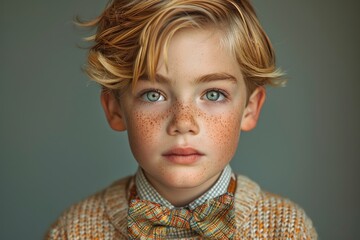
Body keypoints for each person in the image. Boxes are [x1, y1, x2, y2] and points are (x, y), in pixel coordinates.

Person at [46, 0, 317, 239]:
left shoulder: (286, 229)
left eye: (213, 94)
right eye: (153, 95)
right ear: (115, 110)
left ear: (250, 108)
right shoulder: (73, 231)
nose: (183, 122)